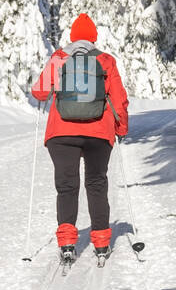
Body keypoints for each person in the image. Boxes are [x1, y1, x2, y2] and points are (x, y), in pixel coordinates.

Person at [30, 13, 130, 265]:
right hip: (98, 133)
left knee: (66, 187)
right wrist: (121, 128)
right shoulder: (106, 60)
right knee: (96, 184)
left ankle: (66, 243)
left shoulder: (59, 58)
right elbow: (119, 99)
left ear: (72, 37)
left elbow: (39, 92)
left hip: (61, 134)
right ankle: (102, 243)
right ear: (94, 37)